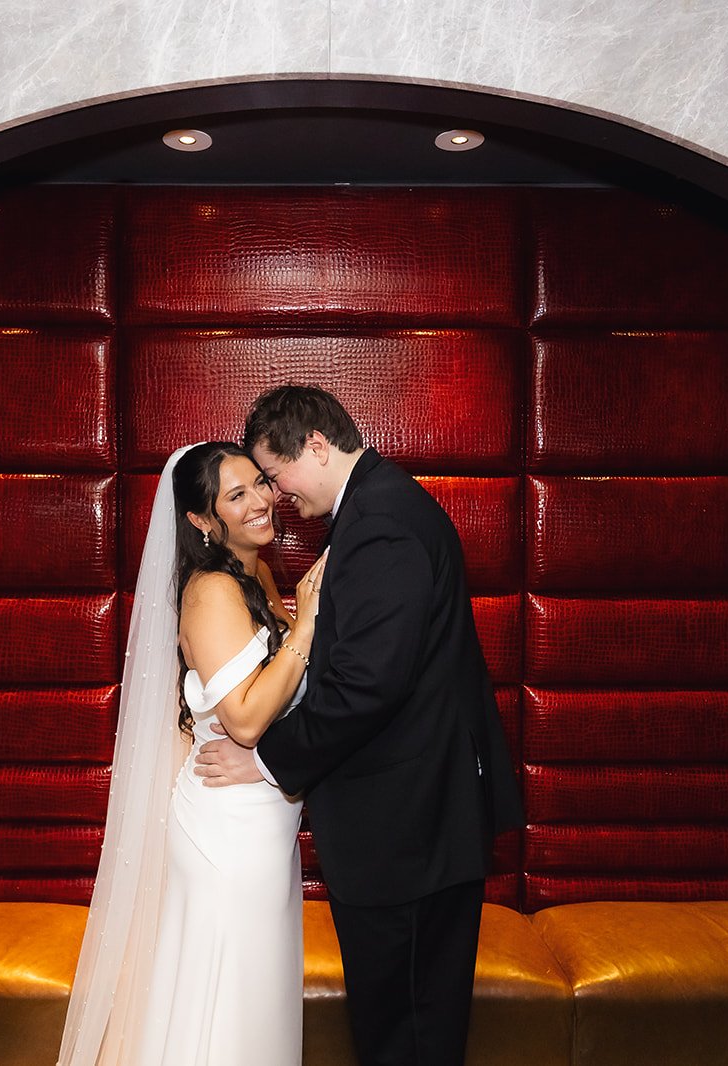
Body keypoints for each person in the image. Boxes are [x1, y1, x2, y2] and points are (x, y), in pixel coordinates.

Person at [197, 386, 525, 1066]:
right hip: (414, 828)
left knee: (403, 1035)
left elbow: (367, 687)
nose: (279, 495)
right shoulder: (380, 508)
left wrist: (264, 761)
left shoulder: (379, 522)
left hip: (405, 836)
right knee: (407, 1029)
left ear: (316, 445)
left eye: (277, 474)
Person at [57, 441, 328, 1066]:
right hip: (227, 837)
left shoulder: (254, 571)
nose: (262, 500)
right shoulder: (210, 592)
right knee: (228, 1010)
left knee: (252, 1004)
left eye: (260, 483)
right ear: (203, 522)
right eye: (237, 495)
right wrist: (308, 627)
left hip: (263, 825)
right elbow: (246, 717)